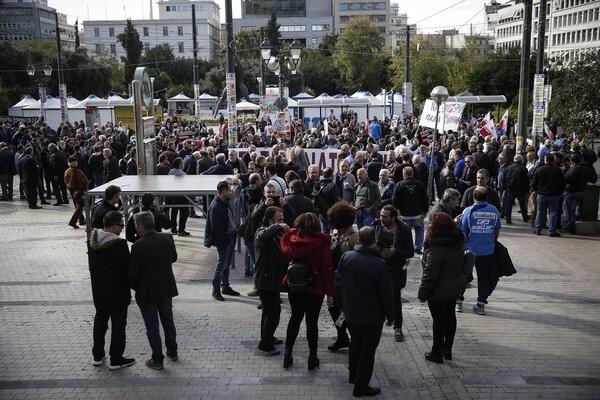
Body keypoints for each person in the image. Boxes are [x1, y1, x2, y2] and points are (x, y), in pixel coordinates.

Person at [335, 227, 394, 398]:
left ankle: (354, 376)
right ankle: (361, 386)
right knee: (368, 350)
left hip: (352, 312)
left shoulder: (347, 257)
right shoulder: (379, 264)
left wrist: (342, 305)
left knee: (355, 344)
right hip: (372, 316)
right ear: (374, 242)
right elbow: (386, 294)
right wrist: (391, 317)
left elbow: (338, 283)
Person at [280, 213, 335, 370]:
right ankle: (312, 357)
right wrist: (330, 292)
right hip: (315, 288)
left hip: (295, 286)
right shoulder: (322, 243)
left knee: (295, 318)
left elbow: (284, 254)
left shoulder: (291, 241)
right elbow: (327, 270)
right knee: (312, 322)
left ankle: (287, 354)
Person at [129, 211, 179, 370]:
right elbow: (173, 258)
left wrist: (136, 286)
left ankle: (157, 359)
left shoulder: (138, 246)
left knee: (152, 326)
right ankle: (173, 351)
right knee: (168, 321)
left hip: (147, 291)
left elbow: (133, 274)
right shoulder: (167, 238)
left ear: (141, 227)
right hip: (166, 286)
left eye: (137, 227)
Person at [88, 210, 135, 370]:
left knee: (100, 322)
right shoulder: (119, 245)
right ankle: (116, 358)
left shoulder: (92, 241)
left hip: (99, 292)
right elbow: (127, 268)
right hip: (117, 292)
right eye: (121, 225)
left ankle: (97, 354)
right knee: (118, 325)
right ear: (114, 227)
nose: (122, 229)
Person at [418, 213, 465, 364]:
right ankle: (447, 349)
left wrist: (423, 292)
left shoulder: (437, 247)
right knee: (450, 317)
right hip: (454, 286)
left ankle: (436, 352)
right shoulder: (457, 241)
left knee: (438, 321)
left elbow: (430, 273)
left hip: (438, 290)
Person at [456, 186, 501, 315]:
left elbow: (462, 231)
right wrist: (491, 241)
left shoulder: (468, 211)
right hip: (487, 250)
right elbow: (496, 230)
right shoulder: (494, 211)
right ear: (487, 197)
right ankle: (481, 304)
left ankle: (459, 302)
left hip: (469, 251)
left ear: (473, 197)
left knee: (463, 276)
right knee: (484, 278)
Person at [372, 205, 414, 342]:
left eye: (385, 216)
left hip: (395, 270)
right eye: (381, 215)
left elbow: (410, 252)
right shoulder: (376, 226)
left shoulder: (404, 230)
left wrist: (396, 252)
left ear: (393, 217)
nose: (381, 218)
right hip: (379, 268)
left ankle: (398, 327)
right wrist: (374, 249)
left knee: (395, 299)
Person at [254, 206, 289, 355]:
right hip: (265, 280)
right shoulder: (261, 232)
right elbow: (262, 236)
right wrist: (278, 226)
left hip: (272, 280)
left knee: (268, 312)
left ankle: (267, 337)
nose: (282, 222)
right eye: (279, 220)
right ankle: (265, 343)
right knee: (273, 313)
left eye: (282, 219)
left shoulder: (275, 233)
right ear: (270, 221)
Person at [326, 200, 358, 352]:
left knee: (347, 311)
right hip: (335, 280)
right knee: (333, 308)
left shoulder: (354, 236)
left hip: (347, 281)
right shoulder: (335, 234)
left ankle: (355, 339)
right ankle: (342, 337)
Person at [204, 180, 241, 301]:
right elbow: (216, 228)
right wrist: (224, 240)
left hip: (230, 237)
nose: (231, 192)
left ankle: (225, 287)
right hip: (225, 240)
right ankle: (216, 290)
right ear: (224, 190)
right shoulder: (216, 206)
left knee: (226, 264)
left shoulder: (223, 202)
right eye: (229, 190)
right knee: (221, 265)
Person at [392, 167, 428, 254]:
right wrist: (425, 211)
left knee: (404, 232)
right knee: (419, 230)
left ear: (404, 174)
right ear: (412, 174)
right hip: (417, 214)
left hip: (404, 214)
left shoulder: (399, 185)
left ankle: (407, 247)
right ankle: (417, 247)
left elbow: (394, 201)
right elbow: (425, 199)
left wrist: (397, 212)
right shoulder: (420, 184)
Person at [531, 153, 566, 237]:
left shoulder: (539, 170)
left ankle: (537, 229)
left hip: (541, 194)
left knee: (540, 212)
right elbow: (562, 183)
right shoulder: (558, 170)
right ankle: (552, 230)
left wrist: (536, 190)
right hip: (554, 195)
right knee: (553, 212)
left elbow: (534, 183)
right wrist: (560, 192)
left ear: (545, 160)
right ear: (553, 160)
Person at [501, 154, 530, 224]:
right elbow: (526, 180)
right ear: (521, 160)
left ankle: (508, 219)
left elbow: (504, 178)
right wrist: (527, 190)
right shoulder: (524, 169)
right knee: (522, 205)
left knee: (509, 205)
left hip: (510, 189)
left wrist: (504, 187)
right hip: (520, 190)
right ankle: (525, 217)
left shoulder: (508, 168)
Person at [64, 156, 89, 229]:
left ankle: (81, 220)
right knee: (80, 206)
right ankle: (73, 221)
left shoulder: (67, 171)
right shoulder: (78, 171)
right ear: (74, 163)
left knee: (77, 205)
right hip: (79, 190)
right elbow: (85, 181)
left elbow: (66, 181)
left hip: (71, 190)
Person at [168, 157, 190, 236]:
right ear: (180, 164)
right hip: (182, 196)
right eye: (182, 163)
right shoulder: (182, 174)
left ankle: (173, 229)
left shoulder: (171, 171)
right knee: (184, 213)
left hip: (173, 195)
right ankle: (181, 230)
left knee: (174, 212)